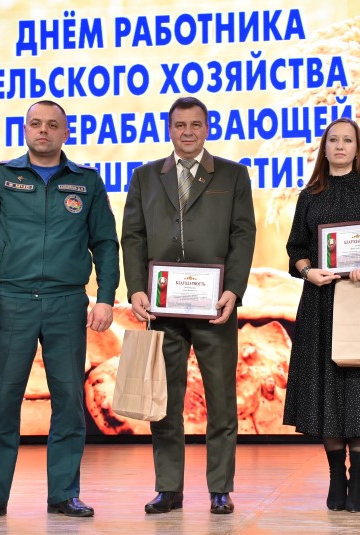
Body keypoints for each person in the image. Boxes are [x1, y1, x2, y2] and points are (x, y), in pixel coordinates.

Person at [0, 100, 120, 522]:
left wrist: (105, 296)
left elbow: (105, 243)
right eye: (35, 123)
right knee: (2, 402)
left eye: (52, 125)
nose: (43, 130)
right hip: (12, 302)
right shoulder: (0, 178)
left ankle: (64, 494)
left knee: (68, 402)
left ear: (66, 133)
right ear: (25, 130)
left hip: (67, 303)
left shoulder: (86, 182)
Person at [121, 96, 256, 515]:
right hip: (162, 308)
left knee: (221, 401)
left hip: (214, 306)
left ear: (207, 128)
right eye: (180, 125)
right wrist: (136, 288)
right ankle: (168, 488)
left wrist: (234, 290)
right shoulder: (144, 177)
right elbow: (133, 236)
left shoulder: (233, 175)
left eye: (195, 125)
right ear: (169, 129)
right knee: (164, 401)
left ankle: (220, 488)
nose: (188, 132)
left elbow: (243, 234)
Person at [284, 117, 360, 512]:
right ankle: (337, 476)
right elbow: (296, 249)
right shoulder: (309, 195)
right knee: (327, 389)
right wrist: (308, 271)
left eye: (347, 140)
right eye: (333, 140)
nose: (339, 146)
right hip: (321, 302)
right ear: (325, 148)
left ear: (357, 148)